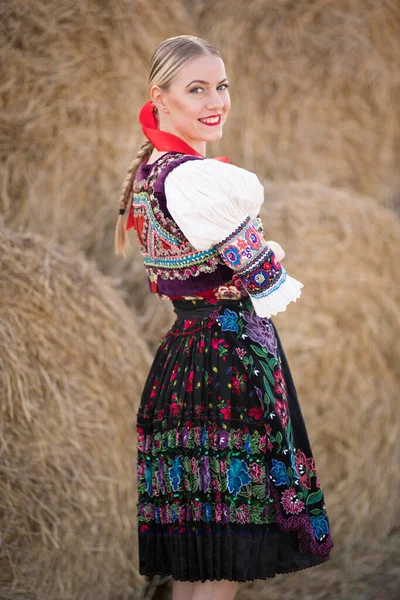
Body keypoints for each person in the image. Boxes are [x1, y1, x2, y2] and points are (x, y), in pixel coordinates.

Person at [115, 35, 334, 600]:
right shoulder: (196, 179)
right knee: (225, 557)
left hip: (185, 361)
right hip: (227, 367)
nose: (216, 100)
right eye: (196, 89)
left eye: (221, 85)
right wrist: (274, 252)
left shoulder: (151, 174)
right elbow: (265, 280)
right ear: (158, 98)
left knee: (201, 555)